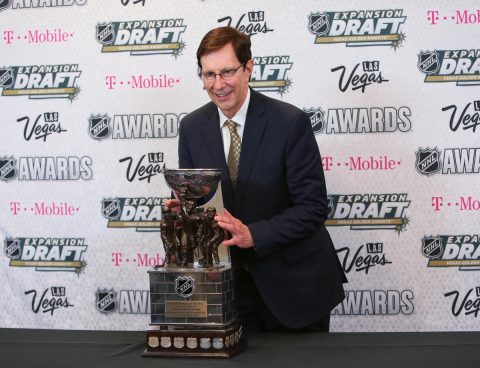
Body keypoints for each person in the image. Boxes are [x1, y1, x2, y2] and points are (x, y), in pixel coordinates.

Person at [168, 26, 346, 332]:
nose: (218, 84)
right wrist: (185, 213)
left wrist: (253, 234)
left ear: (249, 67)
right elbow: (202, 204)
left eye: (227, 72)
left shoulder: (290, 123)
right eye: (209, 74)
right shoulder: (192, 127)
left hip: (295, 289)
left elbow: (314, 208)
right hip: (231, 292)